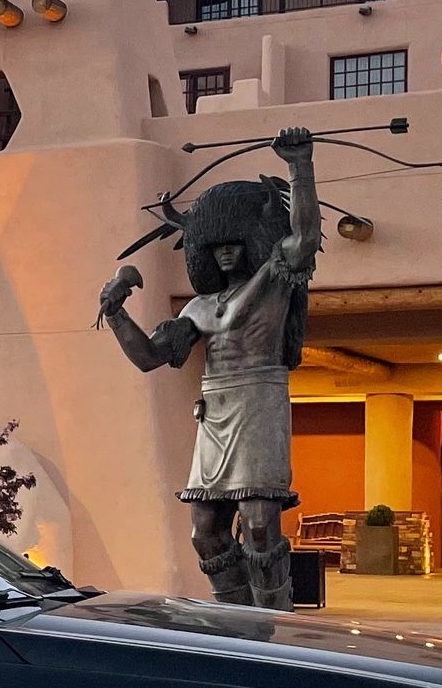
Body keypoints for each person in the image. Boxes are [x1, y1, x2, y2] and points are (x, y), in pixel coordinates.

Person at [98, 128, 322, 610]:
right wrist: (115, 312)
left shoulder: (273, 280)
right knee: (206, 531)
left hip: (261, 401)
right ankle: (237, 620)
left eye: (234, 242)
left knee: (260, 522)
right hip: (215, 412)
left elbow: (304, 239)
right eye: (215, 244)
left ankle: (274, 623)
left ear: (251, 238)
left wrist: (300, 166)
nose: (225, 252)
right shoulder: (197, 307)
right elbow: (148, 357)